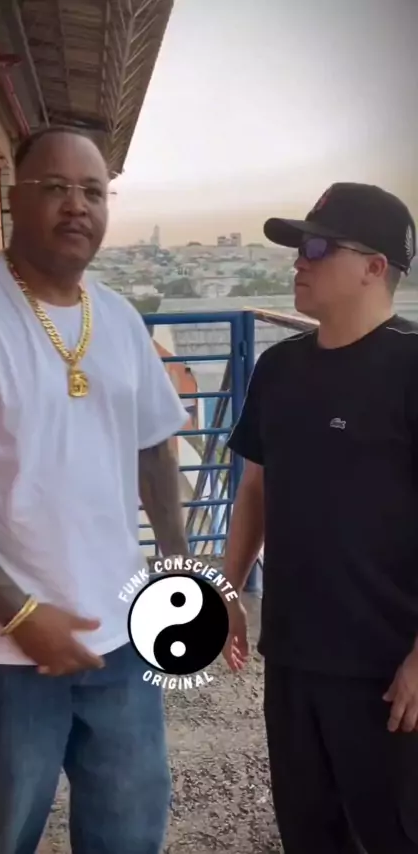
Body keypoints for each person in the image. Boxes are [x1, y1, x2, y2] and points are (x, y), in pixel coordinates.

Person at [0, 126, 190, 854]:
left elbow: (153, 443)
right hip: (1, 652)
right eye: (55, 187)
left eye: (93, 191)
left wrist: (178, 569)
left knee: (129, 831)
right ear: (13, 200)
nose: (77, 205)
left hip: (121, 638)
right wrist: (21, 615)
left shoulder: (118, 317)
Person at [222, 182, 418, 854]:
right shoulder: (278, 370)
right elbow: (256, 488)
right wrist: (229, 591)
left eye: (316, 247)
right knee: (308, 833)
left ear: (375, 267)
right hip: (294, 656)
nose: (298, 261)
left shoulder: (411, 368)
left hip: (388, 673)